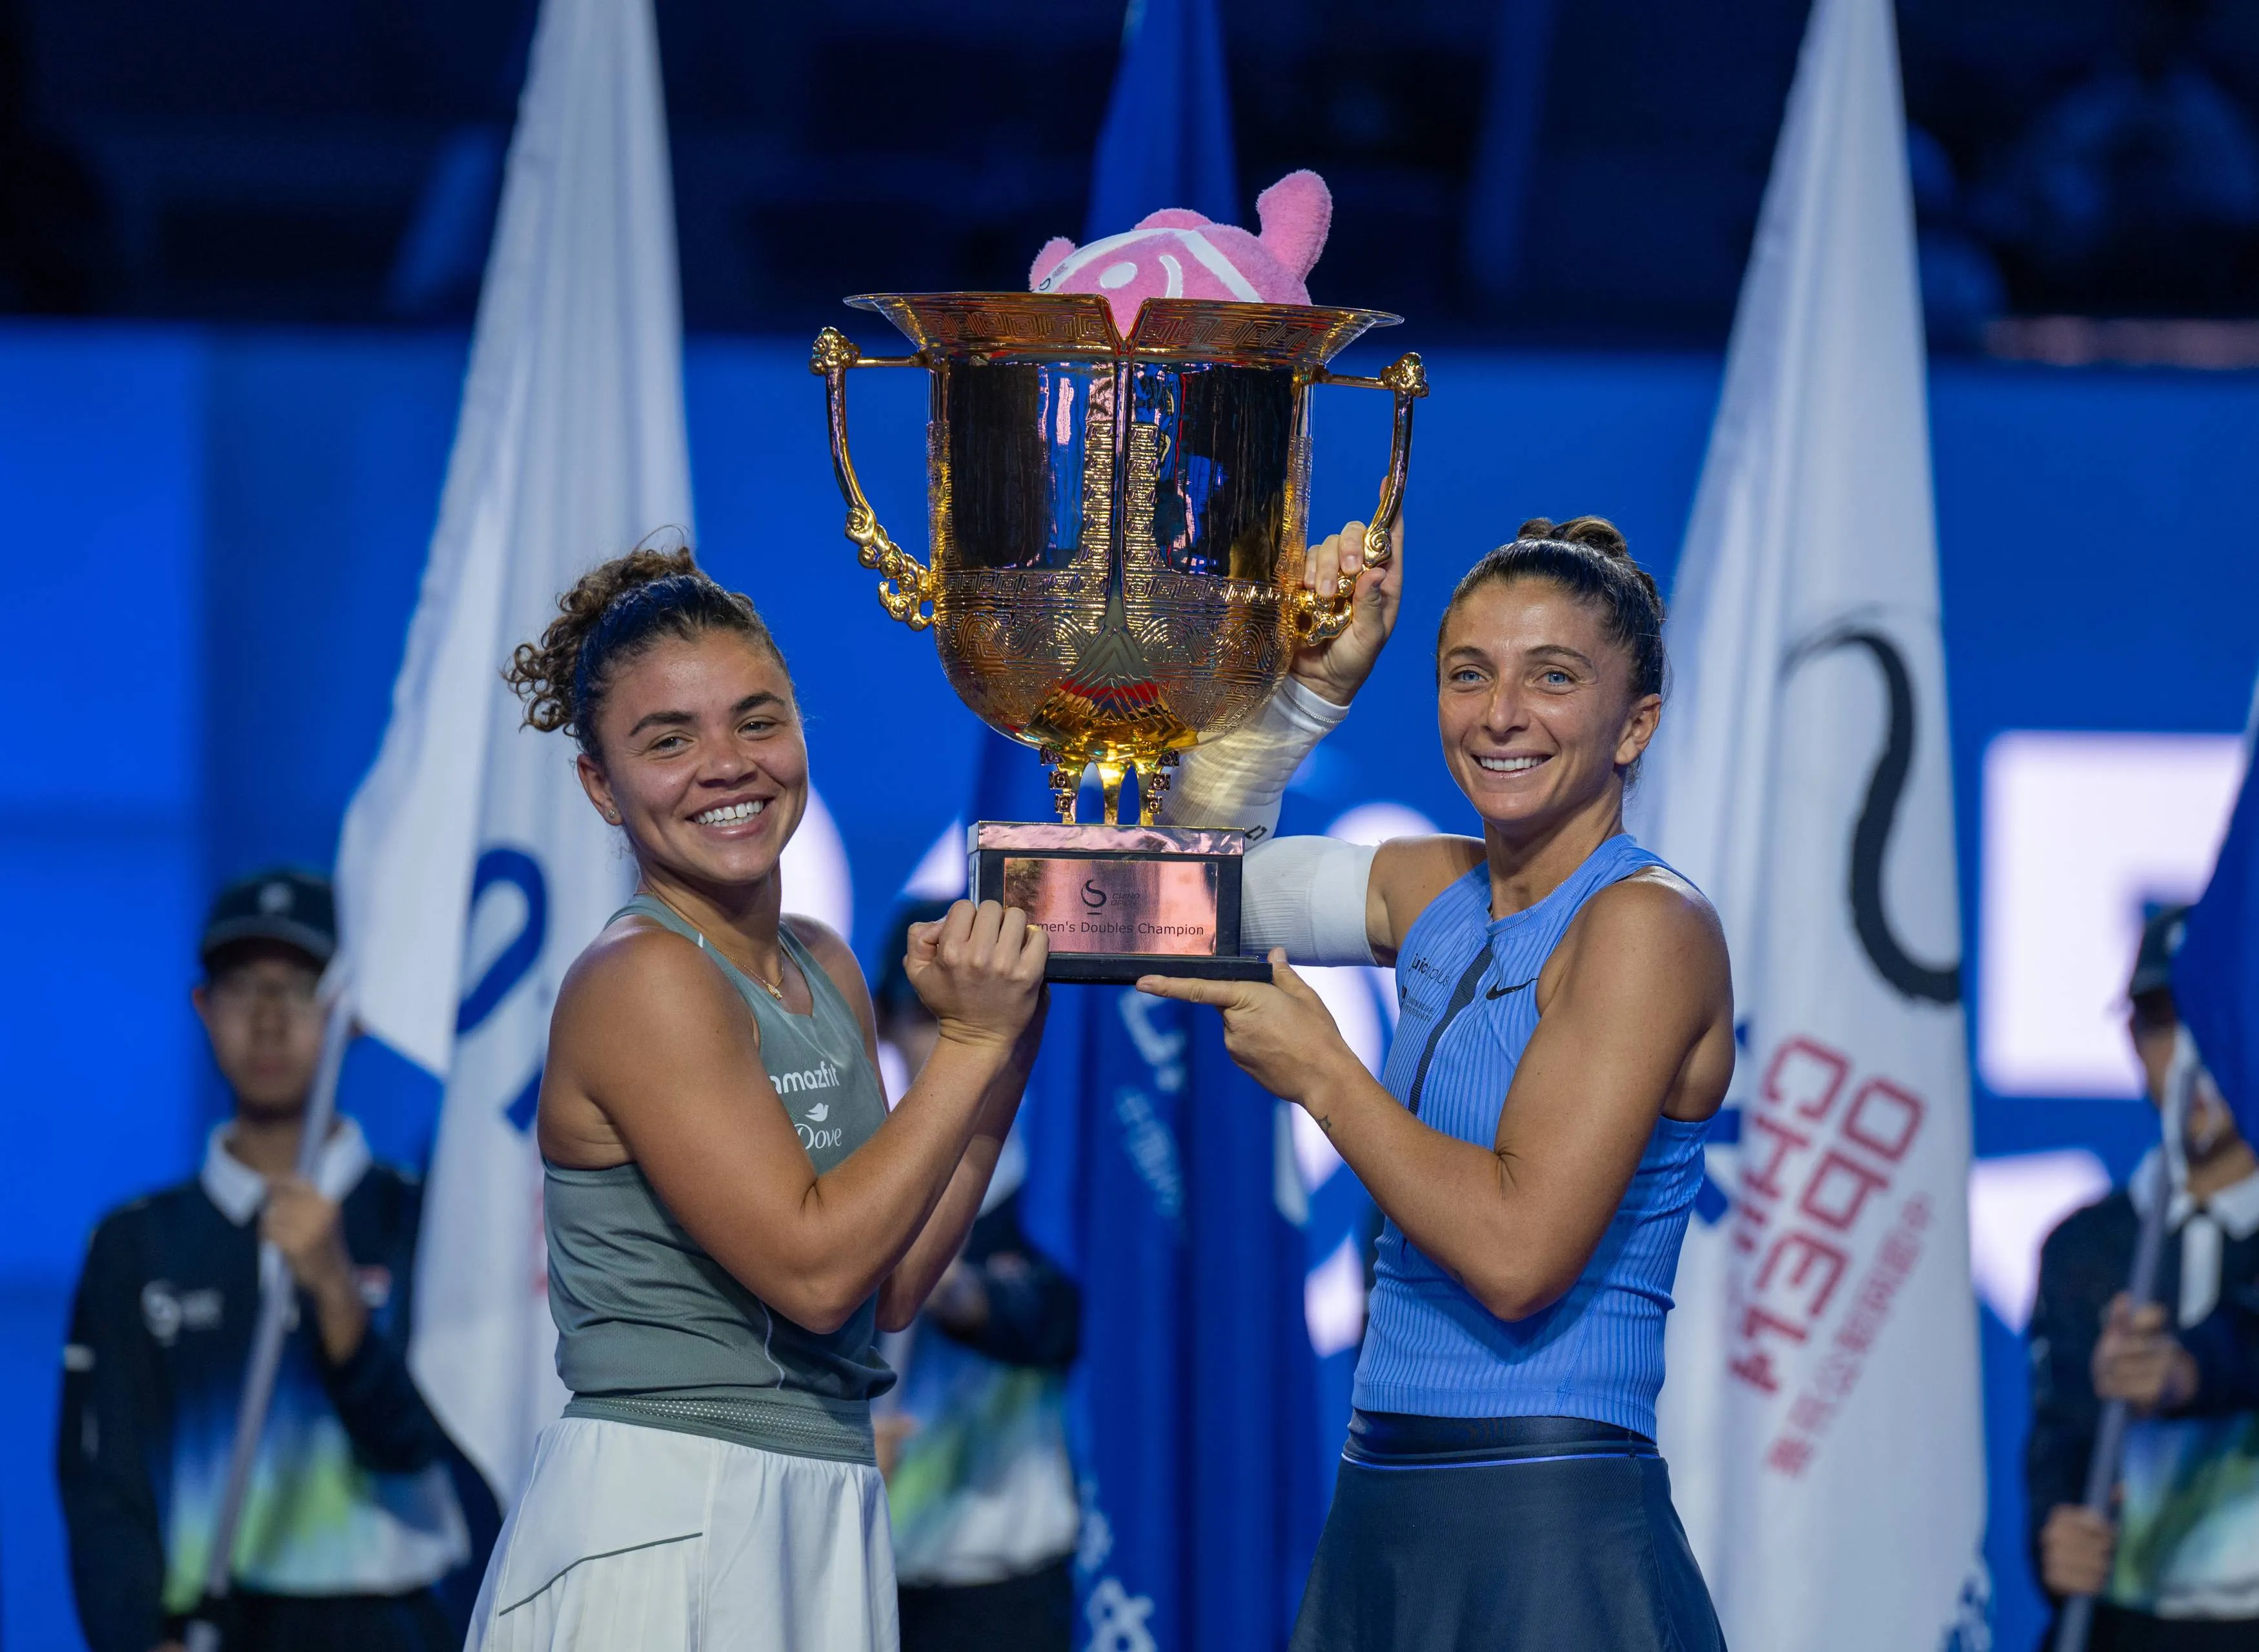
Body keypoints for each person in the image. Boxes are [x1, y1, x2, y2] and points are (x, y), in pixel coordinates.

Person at [1146, 516, 1732, 1649]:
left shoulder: (1649, 927)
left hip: (1549, 1526)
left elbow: (1519, 1259)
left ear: (1636, 725)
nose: (1501, 715)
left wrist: (1326, 1074)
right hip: (1382, 1501)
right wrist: (1308, 692)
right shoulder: (1429, 889)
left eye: (1552, 679)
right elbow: (1169, 895)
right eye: (1470, 675)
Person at [465, 545, 1049, 1651]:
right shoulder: (642, 979)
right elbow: (818, 1271)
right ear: (601, 784)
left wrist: (1005, 1049)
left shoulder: (824, 962)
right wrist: (967, 1046)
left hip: (813, 1500)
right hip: (668, 1516)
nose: (727, 765)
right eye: (668, 740)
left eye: (756, 719)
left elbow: (892, 1282)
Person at [57, 868, 489, 1652]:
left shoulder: (422, 1218)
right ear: (201, 1007)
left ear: (351, 1015)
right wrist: (137, 1637)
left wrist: (335, 1287)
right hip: (212, 1629)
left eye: (299, 987)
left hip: (403, 1627)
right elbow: (102, 1482)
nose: (266, 1018)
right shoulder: (136, 1242)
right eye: (242, 987)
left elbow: (430, 1444)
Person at [2026, 904, 2259, 1649]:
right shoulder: (2085, 1245)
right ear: (2130, 1042)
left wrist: (2186, 1371)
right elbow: (2058, 1437)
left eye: (2214, 1016)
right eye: (2161, 1022)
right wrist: (2053, 1537)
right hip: (2124, 1630)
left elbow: (2241, 1344)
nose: (2188, 1053)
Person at [867, 901, 1081, 1652]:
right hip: (863, 1565)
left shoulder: (1048, 1183)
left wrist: (935, 1280)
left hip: (1001, 1576)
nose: (949, 1039)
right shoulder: (847, 1176)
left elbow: (1051, 1323)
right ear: (883, 1024)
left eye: (971, 1014)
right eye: (928, 1015)